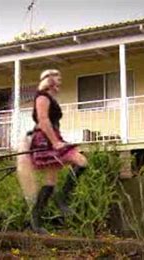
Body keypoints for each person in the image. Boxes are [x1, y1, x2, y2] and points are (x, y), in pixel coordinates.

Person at [18, 69, 88, 234]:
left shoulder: (47, 97)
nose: (60, 81)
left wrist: (57, 139)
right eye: (58, 77)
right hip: (46, 139)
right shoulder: (42, 96)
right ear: (49, 79)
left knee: (50, 180)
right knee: (81, 161)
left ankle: (35, 222)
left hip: (51, 137)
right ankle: (62, 198)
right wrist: (56, 142)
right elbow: (43, 120)